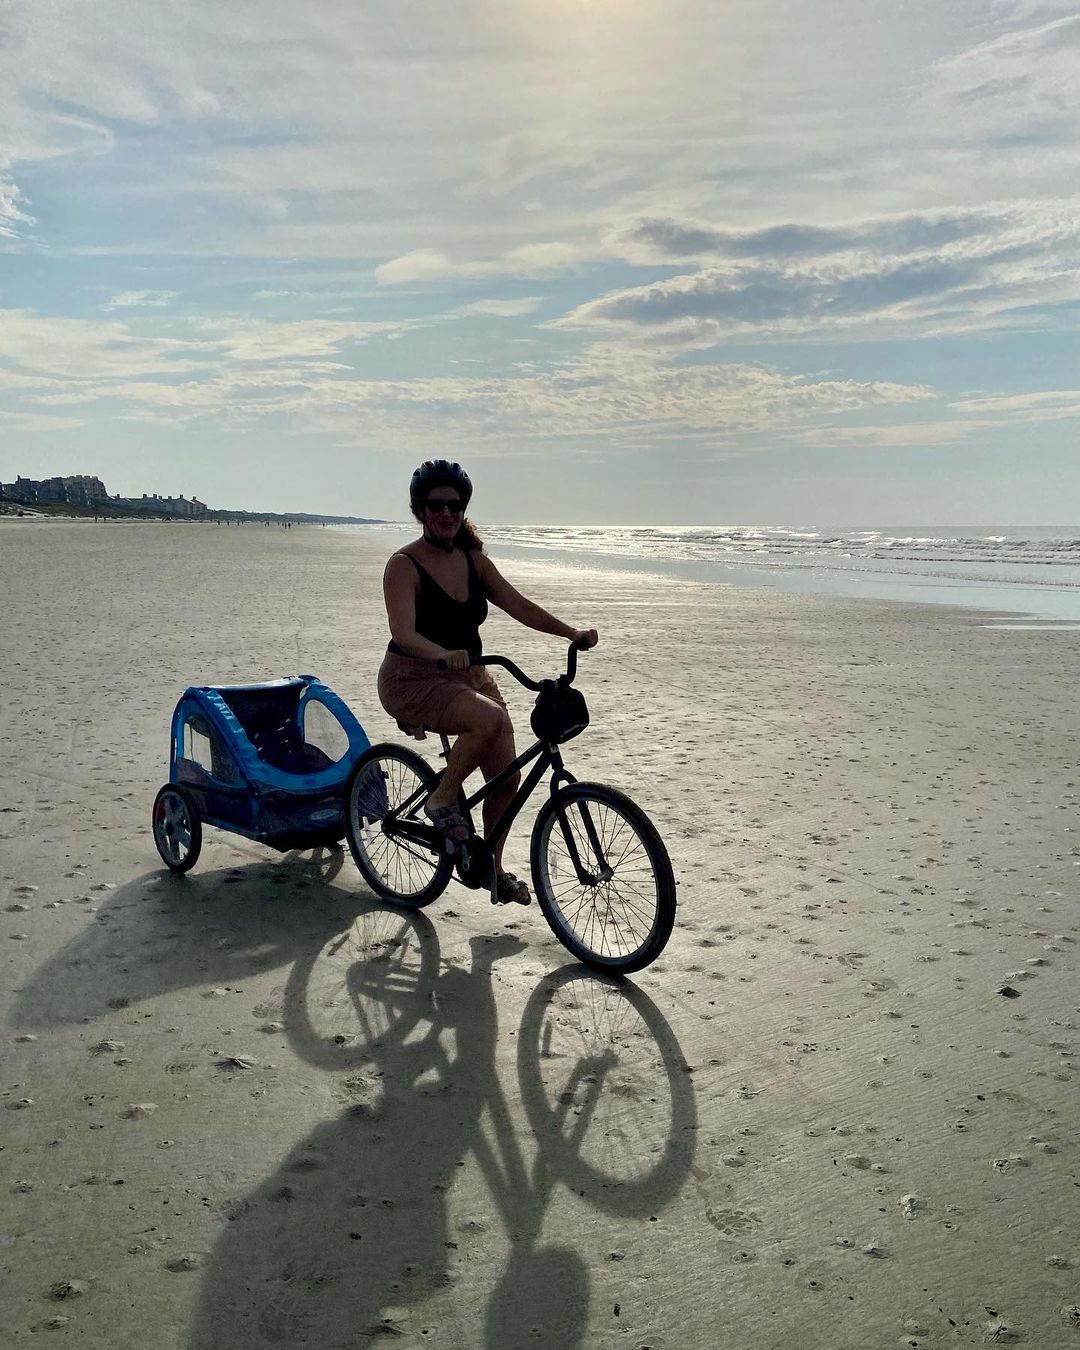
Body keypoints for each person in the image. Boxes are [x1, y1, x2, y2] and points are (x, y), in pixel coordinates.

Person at [378, 460, 598, 905]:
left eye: (455, 505)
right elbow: (403, 632)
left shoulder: (473, 560)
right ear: (420, 511)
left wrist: (570, 633)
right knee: (489, 718)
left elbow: (519, 605)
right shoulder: (403, 565)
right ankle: (441, 800)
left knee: (506, 778)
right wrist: (440, 653)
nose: (447, 513)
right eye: (436, 505)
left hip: (470, 675)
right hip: (411, 679)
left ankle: (491, 870)